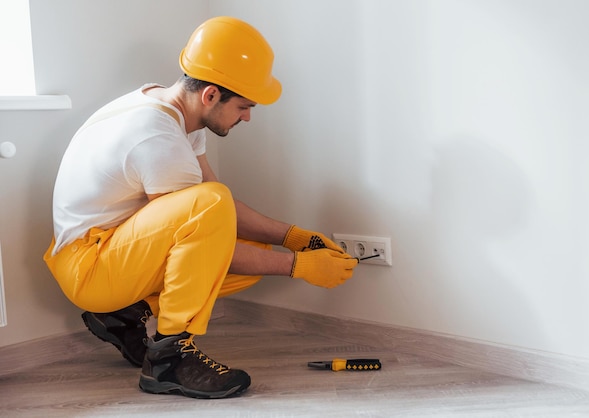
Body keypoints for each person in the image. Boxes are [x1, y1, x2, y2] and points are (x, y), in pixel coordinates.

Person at [43, 16, 358, 399]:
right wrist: (299, 267)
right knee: (216, 212)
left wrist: (292, 237)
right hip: (90, 267)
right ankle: (169, 360)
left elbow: (212, 209)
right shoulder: (156, 136)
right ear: (210, 95)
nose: (247, 117)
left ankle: (124, 313)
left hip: (107, 252)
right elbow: (207, 214)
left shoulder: (175, 114)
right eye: (243, 106)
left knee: (245, 242)